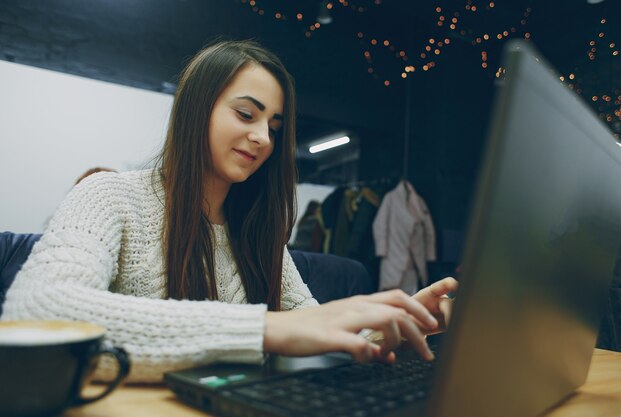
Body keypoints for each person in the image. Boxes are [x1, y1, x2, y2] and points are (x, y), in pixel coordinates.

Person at [2, 40, 458, 383]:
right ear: (196, 110)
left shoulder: (259, 232)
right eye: (245, 114)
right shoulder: (108, 196)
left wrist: (397, 327)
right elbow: (36, 312)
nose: (263, 137)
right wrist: (262, 329)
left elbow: (311, 332)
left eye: (274, 127)